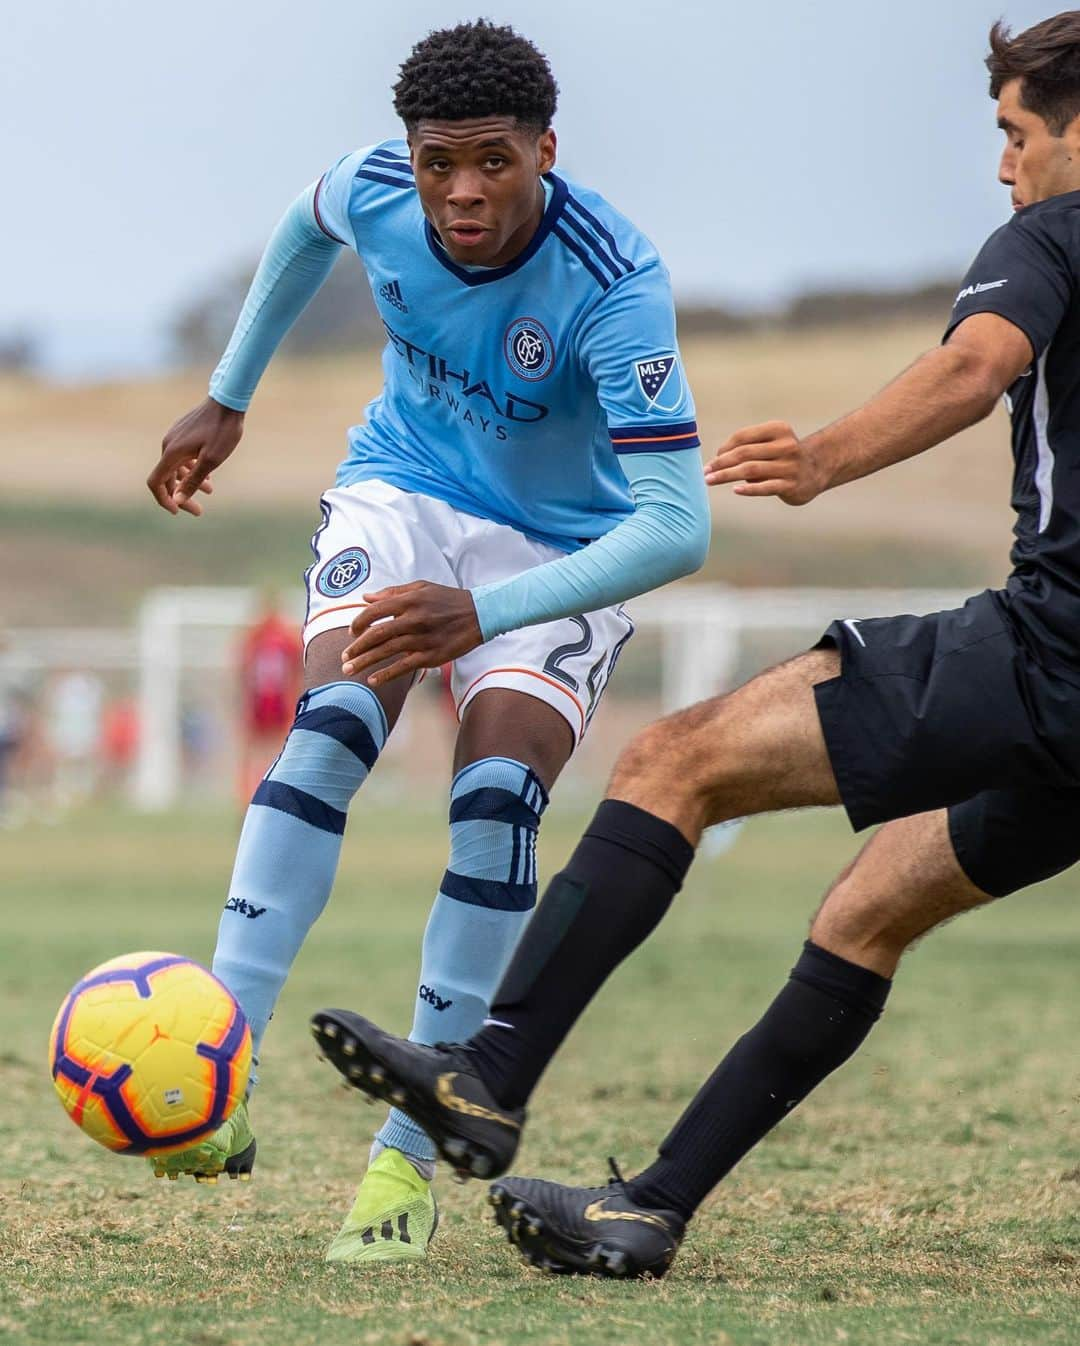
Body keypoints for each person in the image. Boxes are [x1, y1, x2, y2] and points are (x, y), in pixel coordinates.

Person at [313, 12, 1080, 1279]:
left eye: (1014, 134)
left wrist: (825, 455)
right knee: (872, 906)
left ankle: (488, 1073)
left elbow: (979, 363)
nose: (1004, 168)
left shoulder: (1054, 231)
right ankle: (650, 1204)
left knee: (675, 761)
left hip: (1054, 650)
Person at [145, 20, 710, 1265]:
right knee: (334, 725)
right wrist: (228, 396)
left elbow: (679, 528)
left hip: (560, 551)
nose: (462, 192)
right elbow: (303, 230)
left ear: (545, 150)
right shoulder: (375, 186)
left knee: (497, 801)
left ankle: (406, 1161)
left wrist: (487, 613)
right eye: (439, 160)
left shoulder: (614, 282)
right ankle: (219, 1065)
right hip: (401, 492)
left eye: (494, 163)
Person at [236, 597, 303, 802]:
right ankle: (251, 796)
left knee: (278, 749)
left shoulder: (277, 637)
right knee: (259, 750)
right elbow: (243, 669)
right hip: (261, 703)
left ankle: (275, 795)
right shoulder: (256, 637)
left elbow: (298, 666)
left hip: (278, 702)